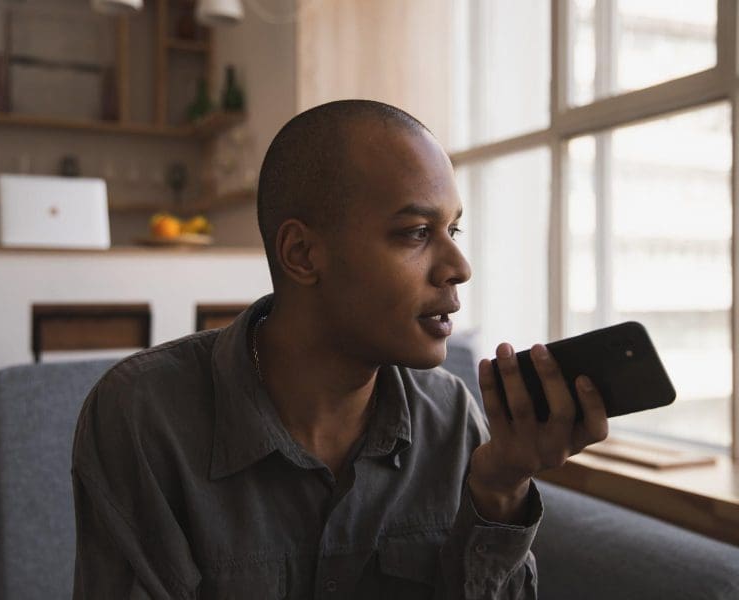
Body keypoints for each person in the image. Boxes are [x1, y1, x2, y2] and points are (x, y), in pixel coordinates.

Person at [71, 100, 608, 599]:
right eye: (417, 232)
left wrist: (499, 491)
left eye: (454, 228)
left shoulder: (450, 419)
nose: (459, 267)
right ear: (302, 253)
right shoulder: (142, 416)